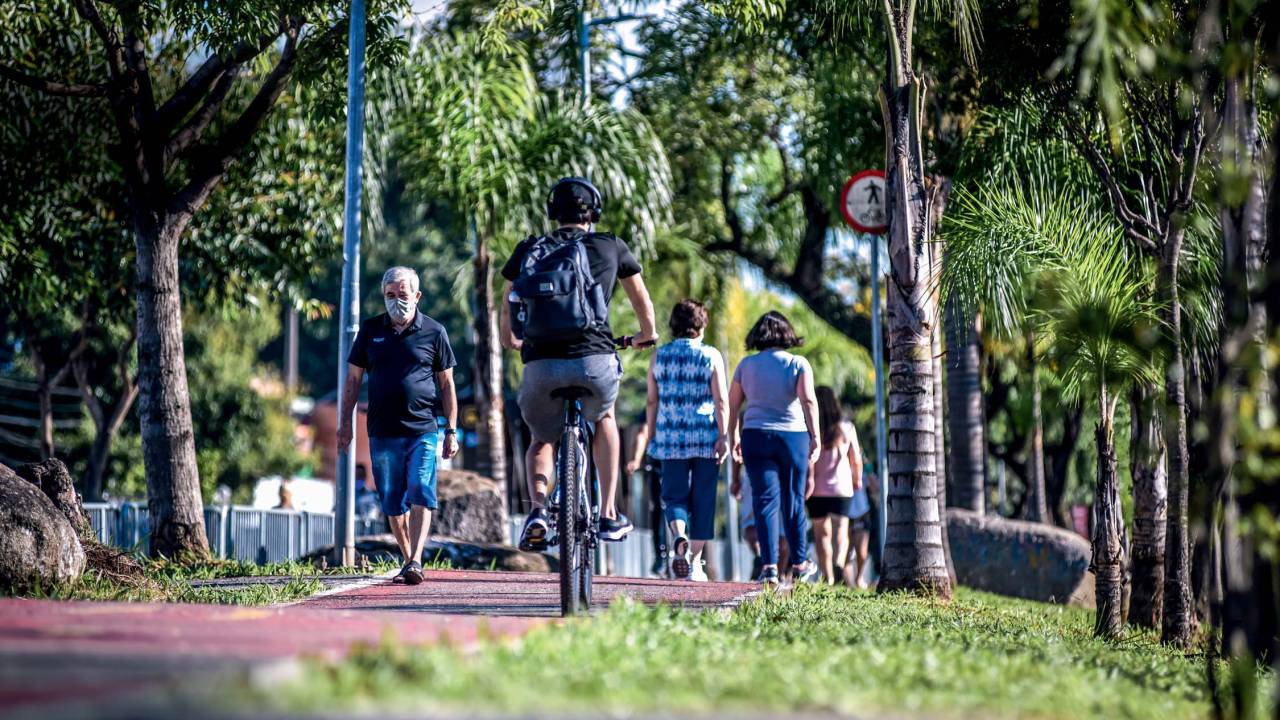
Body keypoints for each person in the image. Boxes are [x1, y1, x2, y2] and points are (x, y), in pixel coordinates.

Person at [500, 177, 659, 551]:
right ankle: (607, 512)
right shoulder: (609, 245)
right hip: (595, 360)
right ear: (594, 212)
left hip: (541, 364)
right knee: (604, 417)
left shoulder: (530, 249)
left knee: (541, 438)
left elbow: (506, 300)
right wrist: (645, 334)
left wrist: (511, 340)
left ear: (553, 213)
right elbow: (642, 300)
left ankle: (538, 510)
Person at [338, 266, 460, 586]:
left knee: (421, 487)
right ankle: (408, 559)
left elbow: (447, 385)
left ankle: (416, 559)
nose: (396, 301)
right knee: (392, 501)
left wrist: (451, 429)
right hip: (382, 431)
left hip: (423, 428)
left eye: (402, 295)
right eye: (390, 296)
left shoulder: (434, 332)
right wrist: (345, 425)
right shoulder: (370, 331)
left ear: (417, 296)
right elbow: (352, 380)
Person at [631, 300, 729, 580]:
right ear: (701, 325)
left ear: (674, 326)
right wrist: (724, 435)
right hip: (705, 437)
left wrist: (652, 434)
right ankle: (694, 562)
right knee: (704, 499)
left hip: (670, 437)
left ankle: (679, 537)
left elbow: (652, 400)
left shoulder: (659, 357)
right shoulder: (710, 356)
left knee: (674, 496)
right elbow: (721, 400)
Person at [728, 311, 821, 586]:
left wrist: (732, 435)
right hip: (792, 438)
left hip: (755, 435)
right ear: (786, 334)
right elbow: (809, 401)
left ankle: (768, 567)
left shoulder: (746, 365)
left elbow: (733, 406)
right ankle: (800, 564)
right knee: (793, 501)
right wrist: (816, 436)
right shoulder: (797, 363)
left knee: (764, 501)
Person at [808, 386, 863, 585]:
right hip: (842, 488)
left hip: (816, 489)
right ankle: (839, 562)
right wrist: (857, 479)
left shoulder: (811, 428)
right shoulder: (847, 427)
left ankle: (828, 575)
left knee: (821, 534)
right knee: (841, 531)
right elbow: (855, 458)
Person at [625, 422, 669, 577]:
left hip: (677, 461)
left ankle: (686, 552)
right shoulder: (654, 404)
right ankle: (660, 555)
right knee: (657, 508)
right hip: (656, 463)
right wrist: (636, 460)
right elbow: (643, 431)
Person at [845, 466, 878, 588]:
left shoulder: (862, 469)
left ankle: (858, 578)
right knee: (846, 551)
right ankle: (849, 583)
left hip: (862, 513)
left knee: (862, 551)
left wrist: (869, 469)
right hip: (844, 513)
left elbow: (876, 488)